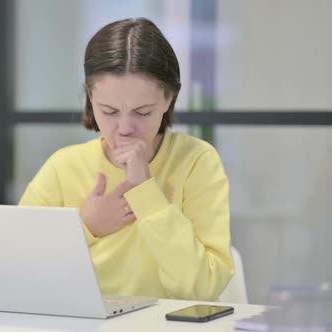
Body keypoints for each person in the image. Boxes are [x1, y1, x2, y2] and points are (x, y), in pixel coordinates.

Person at [19, 18, 234, 301]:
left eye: (142, 112)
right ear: (90, 98)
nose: (124, 128)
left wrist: (146, 191)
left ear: (169, 98)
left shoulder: (197, 162)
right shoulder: (63, 166)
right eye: (108, 111)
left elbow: (202, 288)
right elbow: (18, 267)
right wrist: (86, 226)